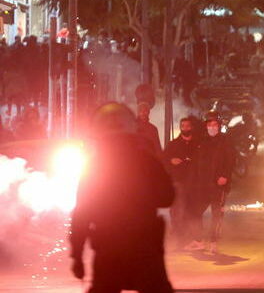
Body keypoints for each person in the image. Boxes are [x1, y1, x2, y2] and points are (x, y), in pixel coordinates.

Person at [69, 102, 175, 293]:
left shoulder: (94, 167)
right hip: (145, 250)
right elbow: (167, 197)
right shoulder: (146, 161)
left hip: (108, 251)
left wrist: (77, 257)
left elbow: (81, 215)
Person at [185, 111, 237, 254]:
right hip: (203, 185)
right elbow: (197, 163)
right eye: (210, 125)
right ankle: (198, 241)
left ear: (219, 126)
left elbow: (231, 160)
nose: (212, 127)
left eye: (215, 124)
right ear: (206, 126)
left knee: (216, 214)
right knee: (195, 212)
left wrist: (225, 176)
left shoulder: (225, 141)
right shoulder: (203, 142)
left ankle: (214, 242)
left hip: (218, 185)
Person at [163, 116, 200, 247]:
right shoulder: (173, 145)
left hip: (194, 183)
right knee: (178, 211)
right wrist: (171, 161)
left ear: (192, 127)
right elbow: (164, 161)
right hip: (178, 182)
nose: (185, 128)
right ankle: (179, 239)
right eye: (183, 126)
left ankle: (191, 238)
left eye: (188, 126)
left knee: (192, 211)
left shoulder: (198, 144)